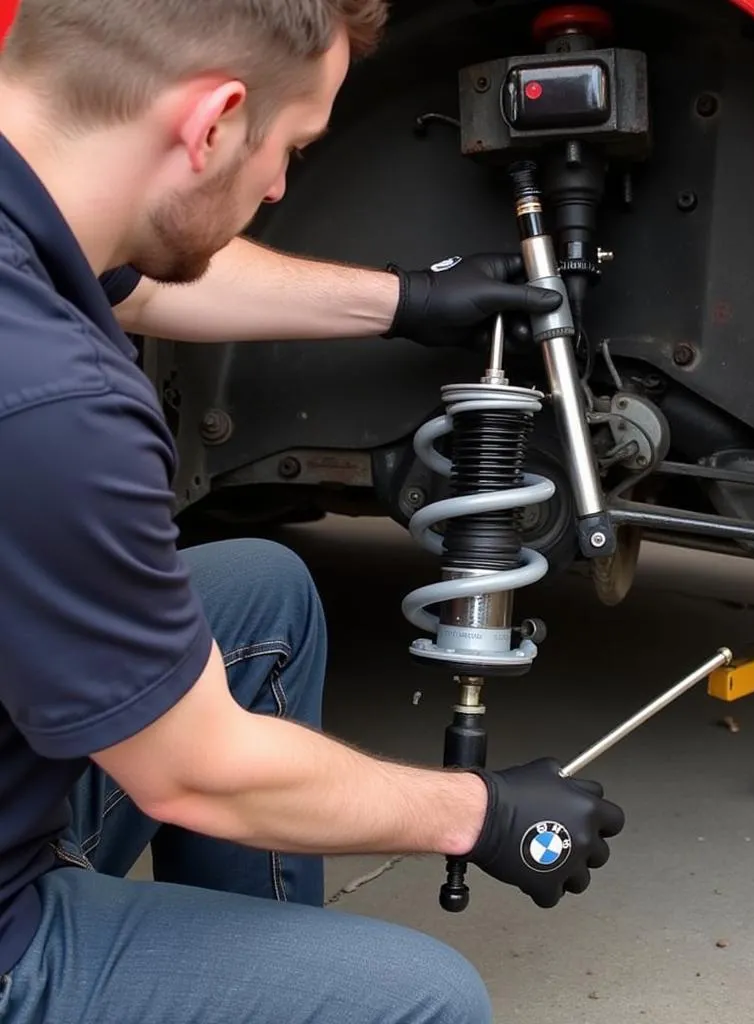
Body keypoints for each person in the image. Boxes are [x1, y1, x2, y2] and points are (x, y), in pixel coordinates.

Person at [0, 2, 627, 1023]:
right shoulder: (50, 407)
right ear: (212, 124)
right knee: (423, 999)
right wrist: (481, 810)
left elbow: (136, 283)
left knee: (259, 593)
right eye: (288, 149)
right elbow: (195, 775)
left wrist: (408, 298)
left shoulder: (30, 207)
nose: (281, 185)